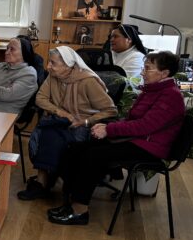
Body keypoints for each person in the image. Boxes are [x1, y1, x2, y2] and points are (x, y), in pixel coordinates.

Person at [49, 51, 185, 225]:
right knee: (76, 148)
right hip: (136, 140)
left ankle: (79, 210)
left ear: (164, 73)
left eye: (148, 68)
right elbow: (132, 121)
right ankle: (70, 202)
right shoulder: (152, 90)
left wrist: (109, 129)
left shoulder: (171, 96)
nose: (142, 72)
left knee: (94, 156)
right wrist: (103, 126)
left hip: (149, 148)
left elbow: (144, 126)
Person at [17, 46, 118, 200]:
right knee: (46, 133)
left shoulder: (88, 81)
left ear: (68, 65)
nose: (48, 67)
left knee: (60, 140)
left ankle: (64, 186)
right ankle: (42, 183)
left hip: (84, 124)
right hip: (61, 120)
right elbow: (40, 98)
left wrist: (85, 121)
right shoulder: (53, 76)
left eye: (53, 63)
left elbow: (110, 110)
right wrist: (61, 112)